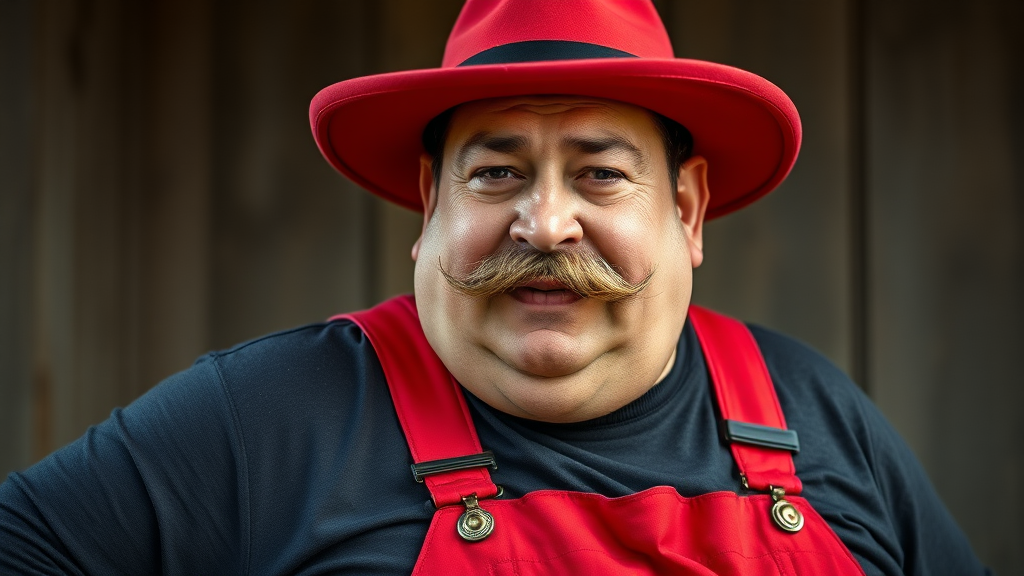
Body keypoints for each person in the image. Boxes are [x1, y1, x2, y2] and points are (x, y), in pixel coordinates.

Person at [0, 0, 990, 574]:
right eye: (496, 174)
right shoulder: (261, 421)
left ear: (685, 211)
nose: (544, 223)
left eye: (600, 173)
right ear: (430, 202)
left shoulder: (819, 418)